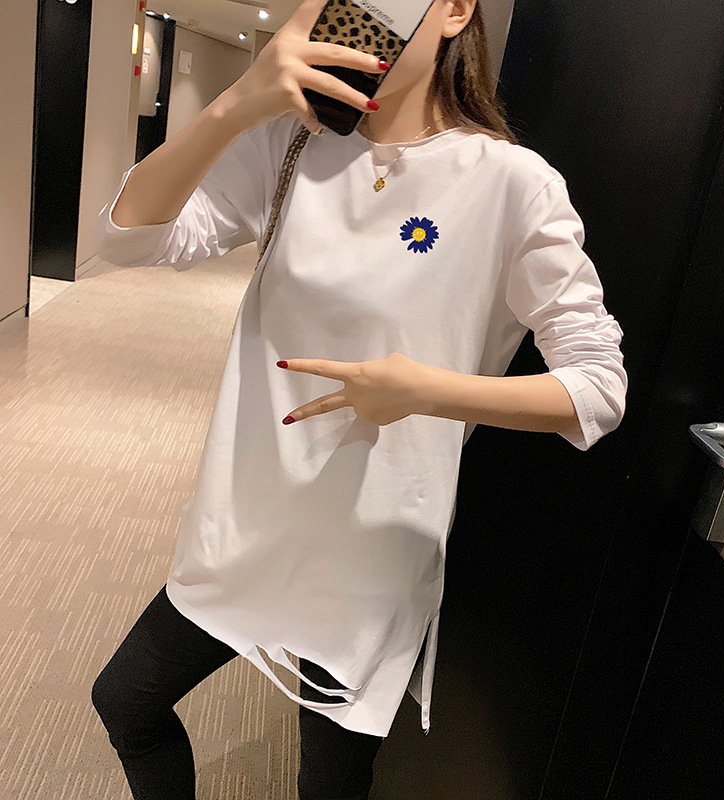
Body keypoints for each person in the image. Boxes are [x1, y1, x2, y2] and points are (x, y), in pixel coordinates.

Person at [90, 0, 628, 798]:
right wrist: (238, 102)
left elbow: (597, 388)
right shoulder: (289, 144)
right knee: (126, 699)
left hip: (367, 551)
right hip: (246, 520)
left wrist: (423, 392)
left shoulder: (512, 184)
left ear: (454, 10)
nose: (353, 15)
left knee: (328, 782)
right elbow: (128, 237)